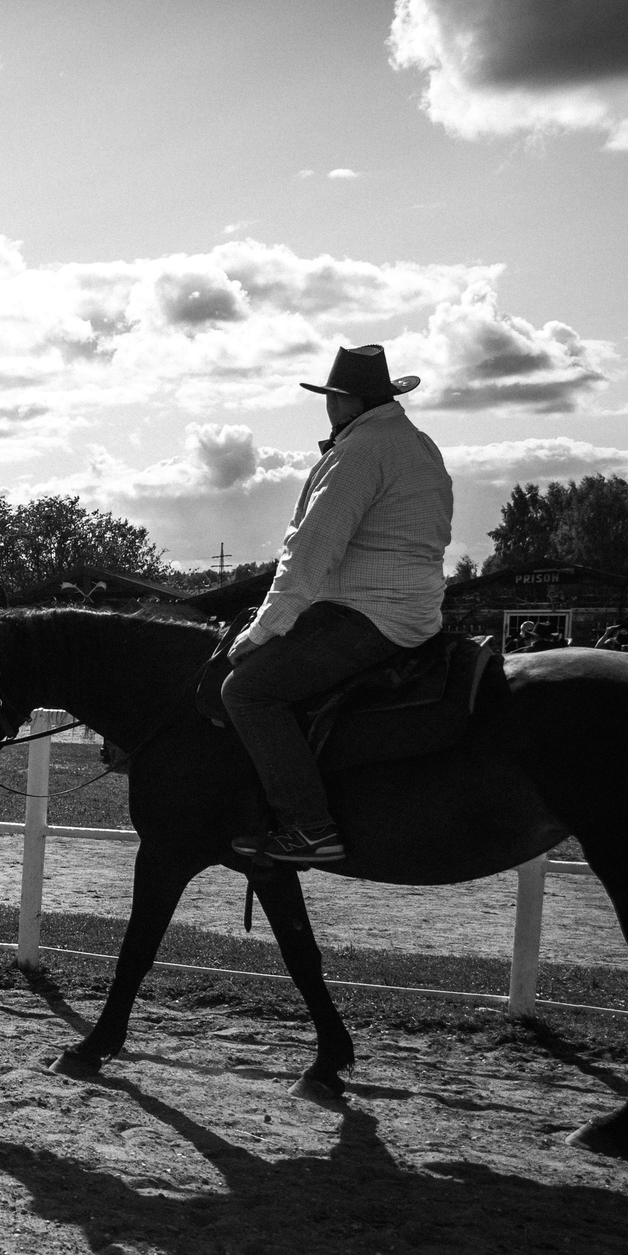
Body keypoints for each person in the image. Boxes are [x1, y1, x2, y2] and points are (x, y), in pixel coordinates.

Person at [222, 345, 452, 866]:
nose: (328, 407)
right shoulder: (420, 445)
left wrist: (261, 632)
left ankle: (310, 828)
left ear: (348, 401)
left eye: (331, 398)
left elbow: (311, 552)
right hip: (417, 611)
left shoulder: (358, 452)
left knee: (247, 692)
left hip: (366, 614)